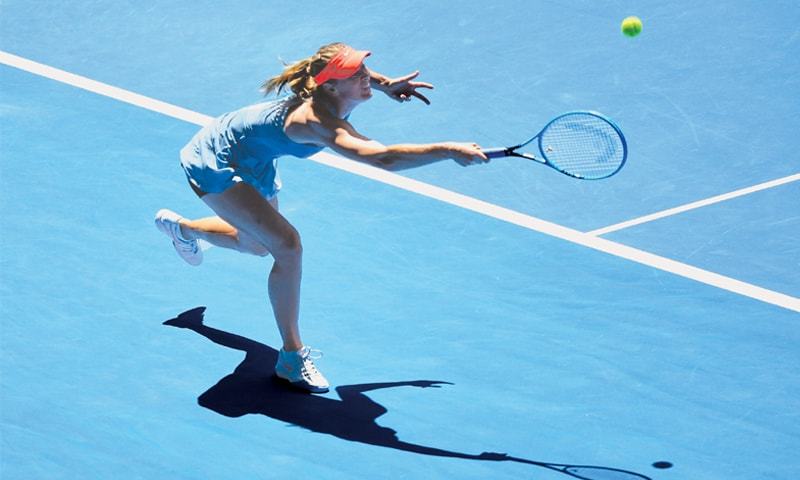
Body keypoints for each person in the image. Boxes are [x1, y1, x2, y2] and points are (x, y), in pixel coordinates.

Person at [155, 42, 488, 394]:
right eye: (356, 74)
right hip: (217, 159)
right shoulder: (316, 122)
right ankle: (291, 359)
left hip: (253, 156)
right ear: (330, 85)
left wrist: (385, 83)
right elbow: (382, 158)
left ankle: (182, 228)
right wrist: (448, 150)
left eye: (364, 71)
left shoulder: (330, 89)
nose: (365, 77)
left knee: (254, 246)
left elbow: (354, 78)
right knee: (288, 247)